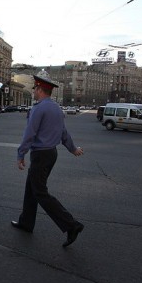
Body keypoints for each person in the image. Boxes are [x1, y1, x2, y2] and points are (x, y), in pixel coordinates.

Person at [12, 75, 85, 247]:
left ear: (39, 90)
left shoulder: (38, 109)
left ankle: (71, 225)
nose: (34, 93)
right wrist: (73, 149)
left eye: (34, 90)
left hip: (41, 155)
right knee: (31, 190)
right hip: (51, 153)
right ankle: (26, 222)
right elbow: (64, 133)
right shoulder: (57, 109)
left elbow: (29, 134)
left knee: (40, 193)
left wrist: (20, 154)